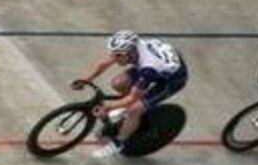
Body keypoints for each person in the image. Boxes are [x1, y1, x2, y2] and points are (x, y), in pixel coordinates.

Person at [73, 29, 188, 158]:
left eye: (119, 55)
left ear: (131, 52)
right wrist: (86, 80)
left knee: (134, 109)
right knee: (118, 83)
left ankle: (118, 144)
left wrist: (110, 106)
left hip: (171, 80)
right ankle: (127, 116)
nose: (115, 58)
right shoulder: (129, 50)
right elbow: (104, 63)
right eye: (114, 54)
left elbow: (133, 97)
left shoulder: (148, 68)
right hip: (158, 64)